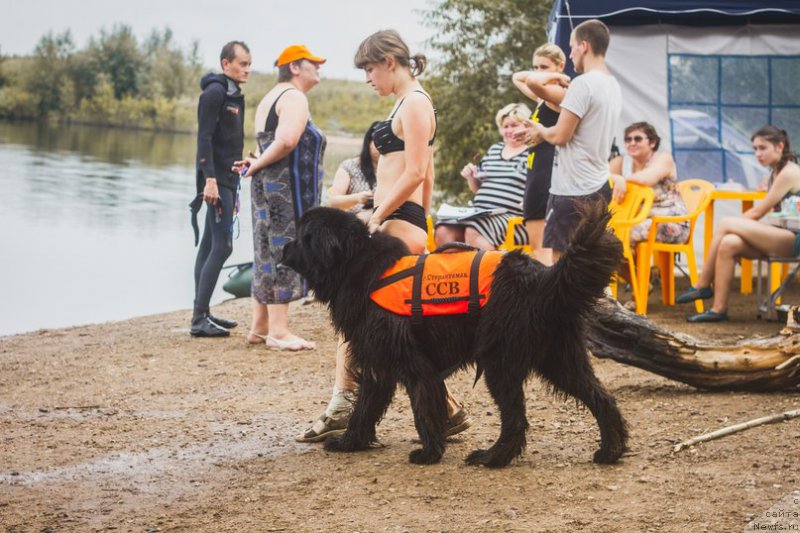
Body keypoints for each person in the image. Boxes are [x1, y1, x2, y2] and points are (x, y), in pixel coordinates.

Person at [296, 30, 472, 442]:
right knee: (382, 325)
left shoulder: (416, 103)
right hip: (401, 220)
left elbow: (416, 172)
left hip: (396, 222)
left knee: (357, 316)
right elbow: (426, 174)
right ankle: (443, 409)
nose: (367, 79)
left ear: (390, 62)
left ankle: (343, 406)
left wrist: (379, 216)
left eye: (370, 70)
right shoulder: (406, 102)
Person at [237, 44, 326, 350]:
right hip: (285, 191)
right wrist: (258, 163)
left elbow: (269, 142)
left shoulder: (271, 97)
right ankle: (279, 331)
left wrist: (256, 162)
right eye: (313, 63)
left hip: (268, 186)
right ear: (295, 67)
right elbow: (286, 140)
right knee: (285, 249)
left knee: (266, 250)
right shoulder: (294, 97)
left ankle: (260, 327)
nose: (319, 67)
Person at [518, 19, 622, 262]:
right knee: (588, 264)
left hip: (572, 189)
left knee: (562, 266)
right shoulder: (613, 84)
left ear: (584, 46)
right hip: (599, 186)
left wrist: (540, 130)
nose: (571, 53)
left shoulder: (583, 84)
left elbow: (560, 136)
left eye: (572, 46)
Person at [676, 126, 800, 322]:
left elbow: (758, 212)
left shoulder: (789, 172)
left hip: (794, 239)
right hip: (780, 233)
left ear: (780, 146)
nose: (757, 154)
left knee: (726, 223)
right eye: (755, 149)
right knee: (729, 243)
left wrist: (736, 226)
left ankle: (702, 284)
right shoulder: (775, 172)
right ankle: (718, 309)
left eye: (763, 148)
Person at [190, 41, 251, 337]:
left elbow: (228, 142)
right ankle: (198, 319)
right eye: (242, 64)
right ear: (226, 63)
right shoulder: (214, 93)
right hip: (216, 180)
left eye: (249, 64)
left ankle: (202, 312)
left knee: (209, 245)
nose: (247, 69)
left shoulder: (233, 93)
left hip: (228, 179)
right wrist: (210, 180)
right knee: (223, 245)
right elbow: (204, 139)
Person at [434, 103, 532, 250]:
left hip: (514, 219)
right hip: (481, 213)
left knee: (474, 229)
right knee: (443, 230)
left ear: (527, 126)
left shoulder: (533, 153)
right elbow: (478, 190)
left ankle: (497, 265)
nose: (509, 130)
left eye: (514, 125)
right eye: (505, 126)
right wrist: (471, 177)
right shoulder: (494, 150)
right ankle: (462, 266)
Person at [512, 43, 568, 264]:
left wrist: (557, 77)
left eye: (544, 67)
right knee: (538, 249)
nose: (537, 73)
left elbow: (529, 81)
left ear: (560, 66)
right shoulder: (543, 97)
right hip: (535, 172)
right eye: (535, 67)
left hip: (548, 175)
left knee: (545, 250)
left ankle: (549, 285)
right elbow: (517, 77)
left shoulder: (559, 95)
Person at [609, 121, 689, 248]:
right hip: (638, 218)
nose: (632, 143)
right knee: (604, 232)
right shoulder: (621, 162)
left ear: (652, 142)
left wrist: (622, 180)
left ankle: (630, 261)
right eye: (628, 140)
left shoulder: (663, 158)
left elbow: (646, 179)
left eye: (638, 139)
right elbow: (600, 176)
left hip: (670, 221)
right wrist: (617, 178)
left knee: (620, 234)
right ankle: (629, 261)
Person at [327, 122, 379, 222]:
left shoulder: (393, 168)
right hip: (352, 222)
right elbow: (332, 202)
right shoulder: (349, 166)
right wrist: (357, 198)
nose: (383, 148)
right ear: (368, 142)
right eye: (378, 143)